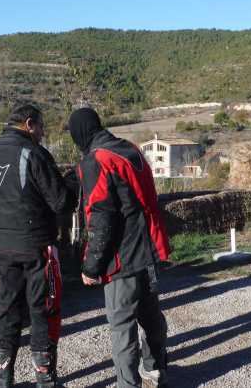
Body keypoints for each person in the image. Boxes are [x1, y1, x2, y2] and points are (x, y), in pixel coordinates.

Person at [0, 104, 75, 388]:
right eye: (40, 127)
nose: (42, 133)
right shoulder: (33, 153)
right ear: (29, 124)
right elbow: (61, 202)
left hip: (1, 246)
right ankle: (45, 380)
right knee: (42, 310)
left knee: (7, 310)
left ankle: (3, 379)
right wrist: (72, 181)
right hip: (36, 246)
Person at [68, 107, 170, 388]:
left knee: (122, 327)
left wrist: (91, 267)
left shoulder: (97, 159)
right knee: (151, 317)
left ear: (80, 133)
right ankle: (155, 371)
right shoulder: (130, 149)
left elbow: (101, 218)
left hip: (122, 259)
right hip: (149, 250)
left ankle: (128, 384)